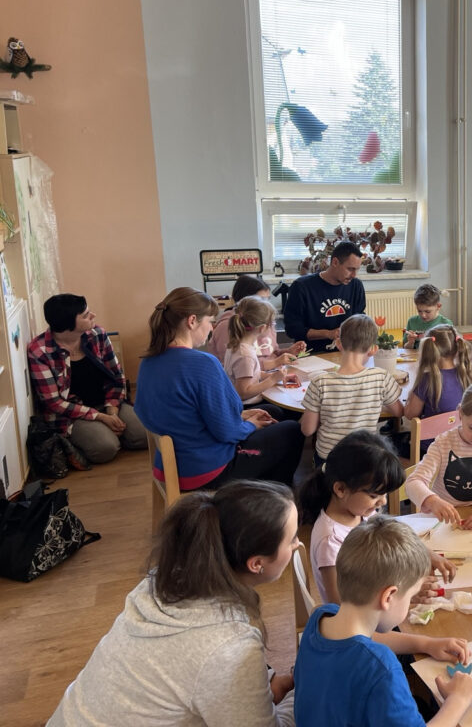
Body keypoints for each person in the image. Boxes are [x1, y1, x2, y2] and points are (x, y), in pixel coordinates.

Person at [48, 480, 299, 726]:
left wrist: (259, 683)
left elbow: (189, 668)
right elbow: (215, 660)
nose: (298, 543)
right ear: (257, 563)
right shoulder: (229, 645)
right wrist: (299, 696)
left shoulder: (165, 579)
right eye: (292, 539)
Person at [293, 516, 472, 726]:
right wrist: (458, 699)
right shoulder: (381, 668)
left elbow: (365, 641)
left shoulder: (322, 616)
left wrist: (426, 644)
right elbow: (368, 652)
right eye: (411, 596)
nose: (410, 602)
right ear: (388, 596)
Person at [135, 288, 304, 490]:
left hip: (172, 464)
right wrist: (250, 425)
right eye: (210, 321)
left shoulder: (149, 360)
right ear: (192, 321)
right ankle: (272, 497)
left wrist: (241, 416)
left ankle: (264, 489)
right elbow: (228, 433)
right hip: (205, 470)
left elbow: (164, 410)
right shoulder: (203, 363)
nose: (212, 327)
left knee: (272, 412)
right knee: (293, 430)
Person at [299, 430, 454, 605]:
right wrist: (405, 595)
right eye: (374, 495)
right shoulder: (331, 541)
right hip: (364, 618)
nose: (383, 501)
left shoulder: (359, 512)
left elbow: (393, 535)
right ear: (341, 489)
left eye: (385, 494)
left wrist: (427, 554)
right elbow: (341, 607)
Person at [28, 293, 147, 464]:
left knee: (146, 434)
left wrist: (112, 409)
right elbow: (54, 403)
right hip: (72, 414)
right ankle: (101, 436)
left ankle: (112, 433)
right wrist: (99, 417)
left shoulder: (97, 334)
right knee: (105, 449)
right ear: (67, 325)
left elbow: (117, 376)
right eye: (85, 315)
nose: (93, 315)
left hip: (106, 401)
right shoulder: (39, 351)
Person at [405, 379, 472, 531]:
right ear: (460, 413)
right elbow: (413, 483)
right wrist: (432, 501)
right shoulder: (443, 443)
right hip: (444, 523)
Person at [300, 314, 403, 465]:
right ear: (373, 349)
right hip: (365, 459)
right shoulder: (381, 377)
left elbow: (307, 430)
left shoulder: (319, 382)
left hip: (329, 460)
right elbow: (399, 412)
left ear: (338, 343)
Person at [223, 296, 300, 420]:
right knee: (293, 412)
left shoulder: (240, 345)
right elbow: (243, 393)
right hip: (247, 406)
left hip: (248, 402)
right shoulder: (245, 355)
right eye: (272, 324)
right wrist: (273, 379)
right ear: (262, 328)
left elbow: (252, 374)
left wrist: (274, 376)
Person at [284, 241, 366, 352]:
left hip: (346, 351)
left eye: (357, 269)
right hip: (311, 353)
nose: (354, 275)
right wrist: (329, 334)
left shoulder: (356, 286)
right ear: (335, 262)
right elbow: (293, 329)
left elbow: (359, 318)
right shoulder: (301, 287)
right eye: (350, 269)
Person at [209, 275, 304, 364]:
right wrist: (275, 363)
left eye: (268, 299)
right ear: (245, 301)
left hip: (271, 372)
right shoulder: (227, 325)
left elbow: (272, 352)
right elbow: (235, 367)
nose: (267, 304)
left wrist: (288, 351)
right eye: (261, 300)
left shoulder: (266, 320)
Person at [404, 324, 472, 422]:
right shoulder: (470, 373)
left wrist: (410, 395)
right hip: (462, 431)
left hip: (433, 432)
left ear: (429, 350)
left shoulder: (427, 380)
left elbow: (409, 414)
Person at [403, 284, 453, 349]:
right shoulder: (412, 321)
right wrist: (410, 342)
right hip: (416, 355)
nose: (423, 315)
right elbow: (405, 348)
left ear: (438, 306)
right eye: (419, 311)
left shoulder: (446, 324)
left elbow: (449, 349)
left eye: (427, 311)